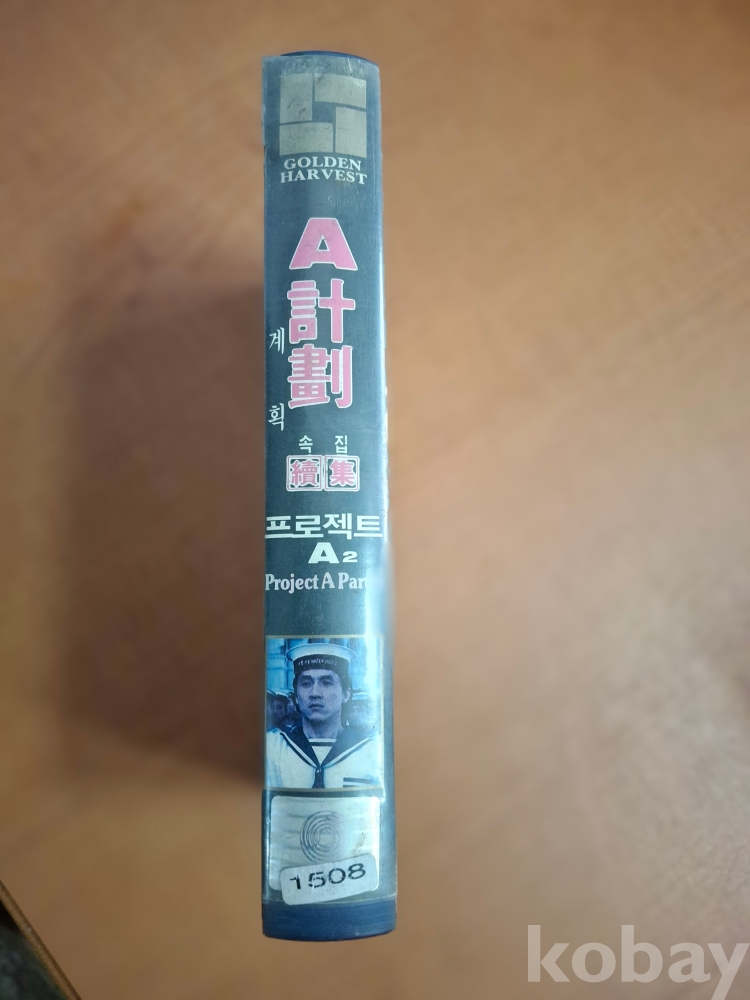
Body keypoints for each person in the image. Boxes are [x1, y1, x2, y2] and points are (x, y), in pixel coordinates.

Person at [265, 642, 382, 789]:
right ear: (296, 695)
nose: (315, 693)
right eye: (306, 683)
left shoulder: (369, 751)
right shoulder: (274, 748)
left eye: (326, 683)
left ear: (345, 694)